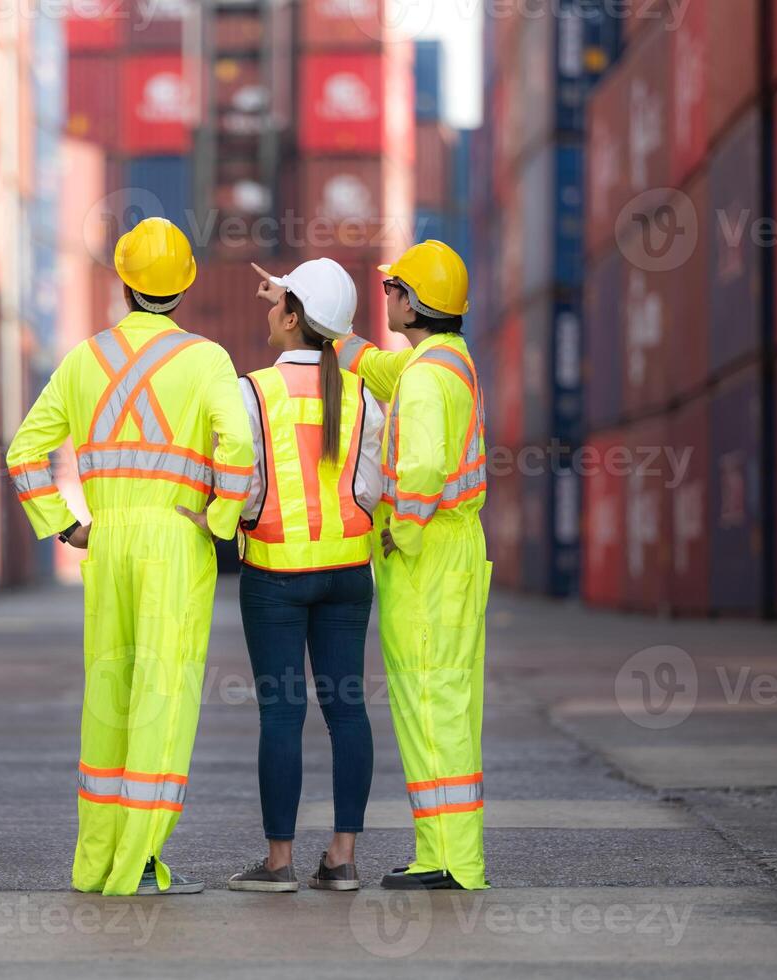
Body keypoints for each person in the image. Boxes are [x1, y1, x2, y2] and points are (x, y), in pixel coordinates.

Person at [5, 218, 256, 897]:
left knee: (108, 693)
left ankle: (99, 859)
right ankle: (141, 860)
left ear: (122, 284)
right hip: (176, 538)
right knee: (162, 694)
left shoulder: (85, 359)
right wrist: (222, 519)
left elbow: (23, 452)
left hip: (110, 539)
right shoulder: (207, 361)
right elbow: (239, 449)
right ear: (186, 286)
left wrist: (67, 526)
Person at [218, 259, 385, 894]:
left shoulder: (251, 391)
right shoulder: (363, 393)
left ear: (291, 318)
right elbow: (370, 486)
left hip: (275, 576)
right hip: (348, 572)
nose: (267, 312)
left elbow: (242, 483)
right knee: (348, 711)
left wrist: (238, 519)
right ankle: (341, 859)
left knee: (282, 715)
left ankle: (279, 864)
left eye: (276, 305)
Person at [335, 240, 491, 891]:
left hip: (426, 563)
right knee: (448, 702)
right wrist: (330, 334)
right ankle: (450, 852)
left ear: (412, 301)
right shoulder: (447, 363)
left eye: (392, 290)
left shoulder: (426, 379)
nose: (386, 298)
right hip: (455, 553)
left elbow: (422, 468)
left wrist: (400, 530)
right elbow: (378, 369)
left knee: (429, 704)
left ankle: (447, 860)